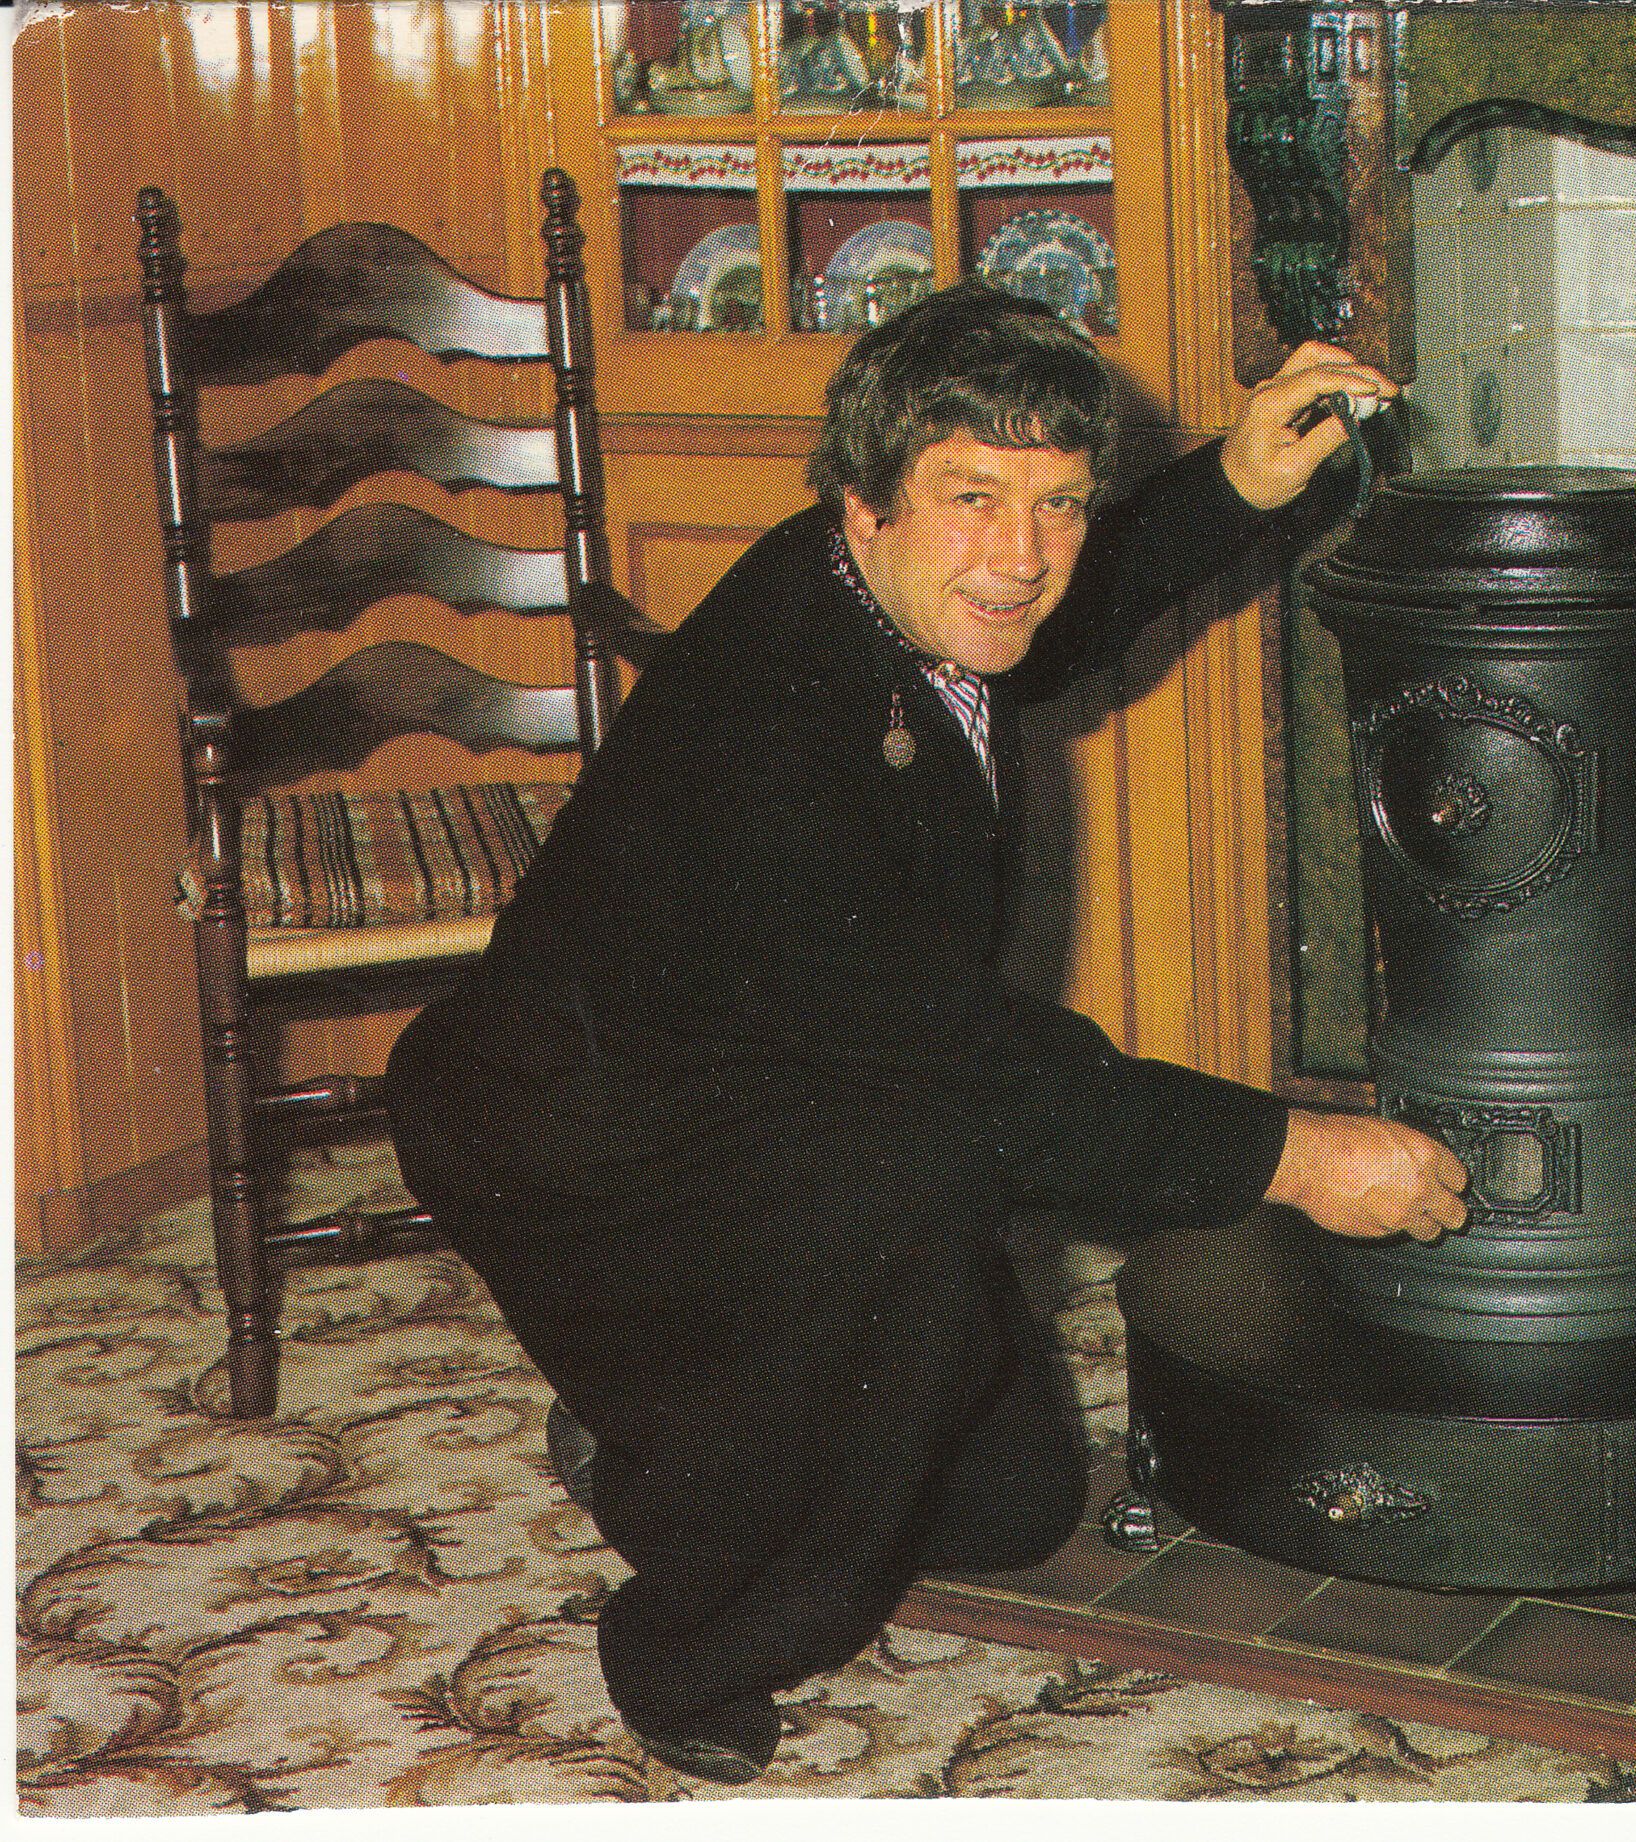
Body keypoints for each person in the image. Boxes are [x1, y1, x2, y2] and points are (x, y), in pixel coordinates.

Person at [384, 281, 1468, 1784]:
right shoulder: (776, 728)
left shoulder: (897, 583)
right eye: (974, 499)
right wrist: (1294, 1153)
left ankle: (664, 1426)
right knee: (913, 1192)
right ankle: (688, 1634)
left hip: (760, 1082)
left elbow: (1059, 604)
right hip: (580, 1138)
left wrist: (1237, 475)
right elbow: (966, 1070)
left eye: (1058, 502)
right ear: (868, 504)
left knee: (1008, 1504)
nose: (1019, 554)